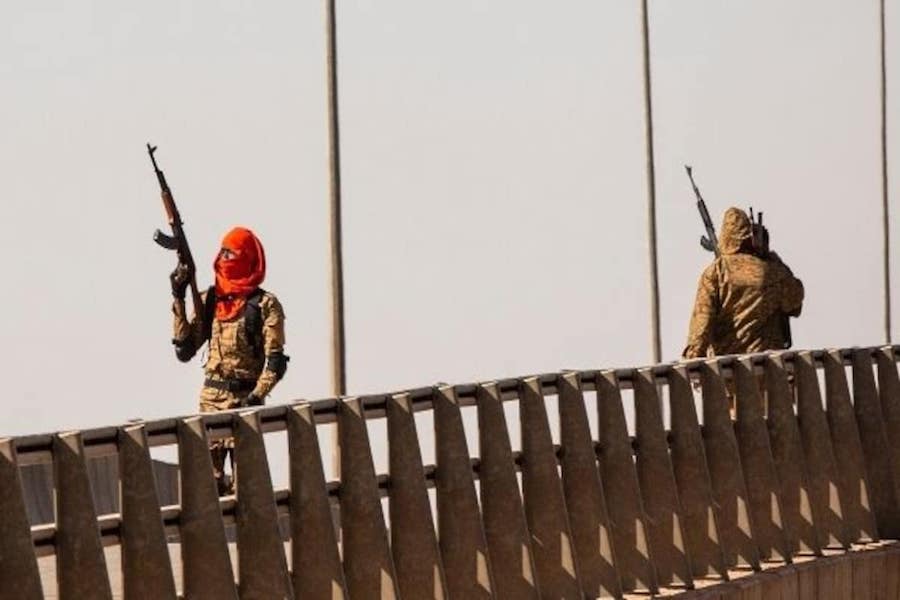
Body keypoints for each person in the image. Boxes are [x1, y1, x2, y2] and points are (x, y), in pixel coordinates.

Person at [170, 226, 288, 495]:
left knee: (246, 490)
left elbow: (275, 361)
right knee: (206, 489)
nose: (224, 259)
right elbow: (184, 349)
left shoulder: (264, 305)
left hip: (244, 403)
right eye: (222, 252)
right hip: (210, 404)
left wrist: (256, 396)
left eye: (231, 254)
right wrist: (178, 296)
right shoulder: (211, 300)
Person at [683, 207, 804, 360]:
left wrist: (691, 360)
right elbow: (794, 303)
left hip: (730, 368)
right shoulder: (773, 271)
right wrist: (772, 259)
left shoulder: (716, 272)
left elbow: (701, 326)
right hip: (772, 367)